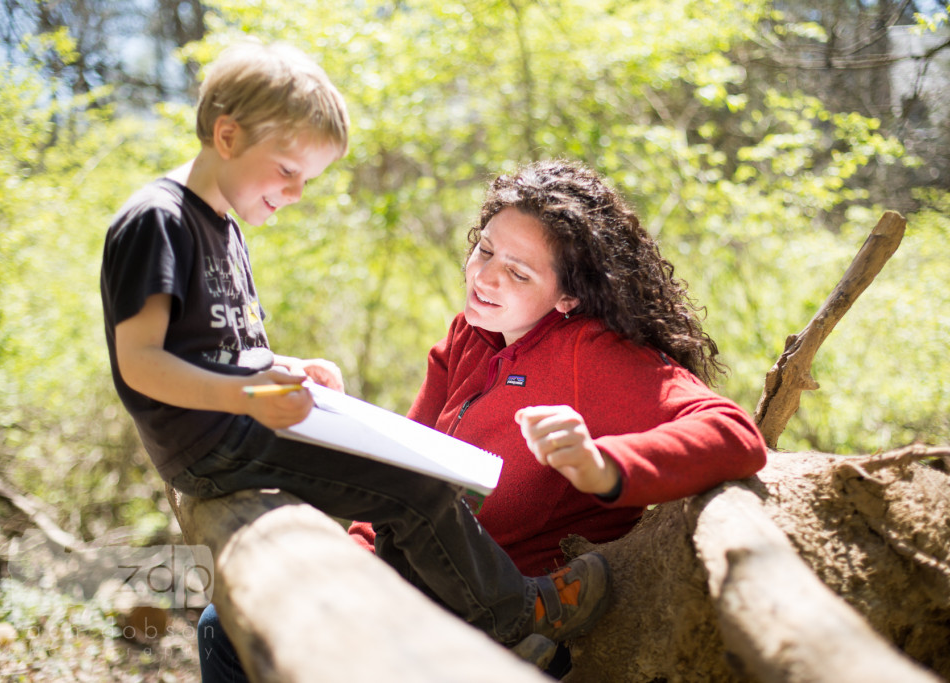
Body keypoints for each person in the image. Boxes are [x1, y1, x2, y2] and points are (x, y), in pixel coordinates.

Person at [100, 44, 612, 681]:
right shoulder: (159, 220)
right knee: (418, 491)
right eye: (287, 170)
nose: (295, 193)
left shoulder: (222, 225)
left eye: (306, 179)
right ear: (227, 136)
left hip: (235, 426)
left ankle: (459, 615)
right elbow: (141, 364)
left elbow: (213, 347)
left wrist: (286, 366)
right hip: (212, 442)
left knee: (402, 473)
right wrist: (250, 398)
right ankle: (518, 619)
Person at [197, 159, 768, 678]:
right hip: (412, 584)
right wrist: (335, 428)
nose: (486, 276)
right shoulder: (468, 335)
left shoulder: (590, 353)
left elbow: (733, 433)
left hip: (517, 623)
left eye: (519, 273)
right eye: (485, 250)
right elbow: (407, 462)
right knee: (224, 624)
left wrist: (601, 466)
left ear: (568, 295)